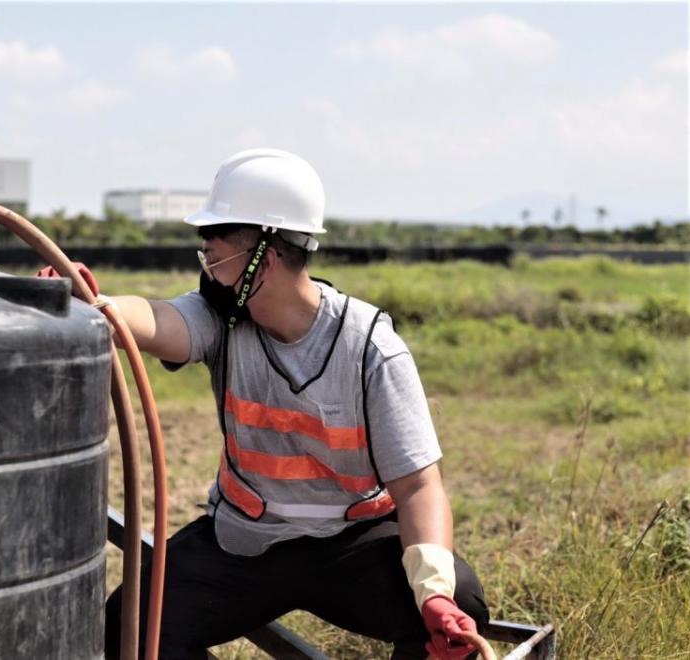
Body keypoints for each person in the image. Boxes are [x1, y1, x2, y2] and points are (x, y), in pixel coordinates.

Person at [100, 149, 489, 659]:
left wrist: (433, 593)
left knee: (458, 605)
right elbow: (156, 319)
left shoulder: (369, 346)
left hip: (353, 543)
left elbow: (418, 486)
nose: (209, 269)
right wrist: (98, 304)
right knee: (130, 623)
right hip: (245, 541)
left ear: (269, 251)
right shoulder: (222, 319)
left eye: (216, 256)